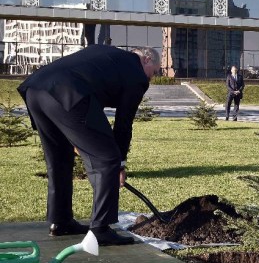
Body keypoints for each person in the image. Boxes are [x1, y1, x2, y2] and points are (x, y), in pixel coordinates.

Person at [18, 45, 160, 246]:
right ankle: (100, 229)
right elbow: (123, 123)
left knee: (59, 159)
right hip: (68, 91)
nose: (151, 80)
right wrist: (120, 163)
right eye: (154, 73)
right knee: (106, 159)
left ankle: (61, 221)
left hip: (36, 90)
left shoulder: (109, 56)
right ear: (146, 60)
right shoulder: (136, 74)